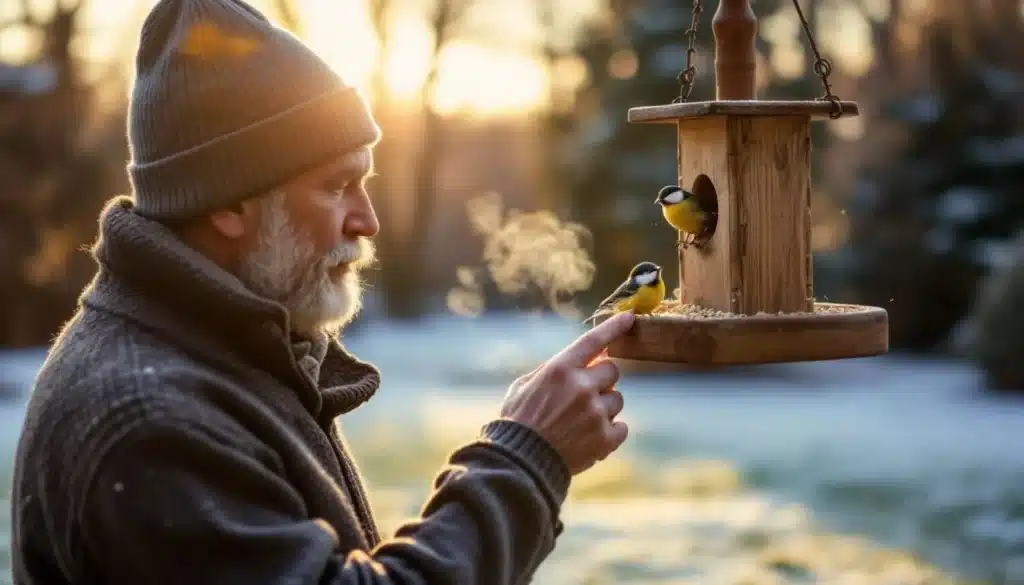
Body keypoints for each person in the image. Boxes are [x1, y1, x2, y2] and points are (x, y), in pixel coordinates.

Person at [8, 0, 635, 584]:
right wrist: (524, 460)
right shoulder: (149, 424)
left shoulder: (218, 356)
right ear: (228, 203)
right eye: (337, 186)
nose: (367, 221)